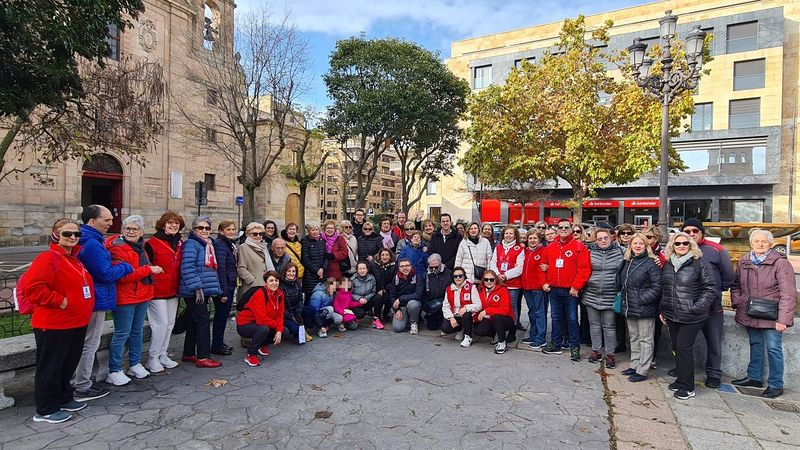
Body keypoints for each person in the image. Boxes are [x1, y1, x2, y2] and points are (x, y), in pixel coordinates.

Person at [26, 219, 95, 423]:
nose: (72, 237)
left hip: (75, 322)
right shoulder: (48, 258)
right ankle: (46, 409)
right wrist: (60, 301)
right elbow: (33, 288)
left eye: (76, 234)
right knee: (51, 366)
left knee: (67, 364)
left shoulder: (74, 258)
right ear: (56, 234)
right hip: (54, 322)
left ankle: (64, 397)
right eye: (67, 234)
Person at [73, 205, 132, 402]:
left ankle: (78, 381)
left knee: (85, 343)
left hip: (90, 298)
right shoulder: (92, 244)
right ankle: (82, 385)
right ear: (92, 221)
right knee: (90, 344)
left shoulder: (88, 239)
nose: (110, 223)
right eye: (106, 220)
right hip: (95, 300)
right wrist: (125, 266)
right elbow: (105, 273)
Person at [730, 229, 797, 399]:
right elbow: (736, 285)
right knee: (755, 344)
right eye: (757, 241)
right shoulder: (744, 261)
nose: (760, 244)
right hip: (750, 311)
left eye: (764, 241)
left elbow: (788, 292)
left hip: (772, 315)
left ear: (770, 243)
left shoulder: (780, 263)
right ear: (751, 243)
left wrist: (783, 319)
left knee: (774, 348)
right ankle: (754, 377)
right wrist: (738, 302)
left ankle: (776, 384)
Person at [105, 215, 162, 386]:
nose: (131, 232)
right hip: (125, 296)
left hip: (142, 294)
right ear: (122, 231)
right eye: (127, 229)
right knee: (122, 333)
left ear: (141, 232)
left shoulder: (140, 247)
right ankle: (114, 369)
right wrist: (148, 269)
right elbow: (122, 276)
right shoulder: (117, 248)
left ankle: (135, 363)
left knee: (136, 332)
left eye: (135, 229)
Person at [660, 232, 717, 400]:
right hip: (672, 313)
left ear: (691, 245)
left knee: (684, 348)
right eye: (677, 244)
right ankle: (681, 380)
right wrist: (663, 310)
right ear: (672, 246)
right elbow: (666, 288)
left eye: (685, 243)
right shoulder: (669, 263)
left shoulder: (700, 263)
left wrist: (697, 307)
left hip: (692, 315)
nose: (681, 246)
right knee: (678, 348)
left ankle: (688, 387)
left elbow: (710, 288)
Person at [680, 218, 735, 389]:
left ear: (702, 232)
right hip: (688, 307)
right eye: (687, 231)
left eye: (694, 231)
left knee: (714, 342)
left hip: (712, 307)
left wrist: (717, 292)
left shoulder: (715, 250)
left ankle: (713, 374)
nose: (691, 234)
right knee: (683, 343)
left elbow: (728, 276)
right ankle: (681, 370)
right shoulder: (680, 248)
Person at [542, 219, 591, 361]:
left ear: (571, 229)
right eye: (561, 227)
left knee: (572, 319)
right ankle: (556, 343)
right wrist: (544, 283)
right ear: (557, 229)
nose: (563, 229)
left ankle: (574, 347)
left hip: (571, 291)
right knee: (556, 318)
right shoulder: (551, 247)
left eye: (566, 227)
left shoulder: (579, 246)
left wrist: (576, 286)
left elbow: (584, 269)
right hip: (554, 289)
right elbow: (543, 266)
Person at [178, 216, 223, 368]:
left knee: (193, 321)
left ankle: (189, 353)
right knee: (203, 321)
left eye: (207, 228)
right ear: (194, 229)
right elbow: (187, 267)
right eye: (200, 228)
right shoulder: (192, 244)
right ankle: (203, 356)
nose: (204, 231)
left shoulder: (207, 244)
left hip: (204, 288)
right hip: (196, 290)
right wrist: (197, 287)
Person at [144, 212, 185, 374]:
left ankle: (163, 354)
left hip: (173, 289)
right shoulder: (151, 243)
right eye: (169, 223)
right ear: (162, 224)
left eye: (176, 223)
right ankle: (152, 358)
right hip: (157, 290)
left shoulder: (180, 242)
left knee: (169, 324)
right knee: (159, 324)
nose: (173, 225)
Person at [619, 233, 662, 382]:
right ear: (630, 245)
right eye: (635, 243)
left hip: (644, 308)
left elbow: (657, 287)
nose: (637, 246)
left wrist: (640, 299)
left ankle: (643, 370)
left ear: (646, 246)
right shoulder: (628, 261)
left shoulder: (651, 263)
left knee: (646, 339)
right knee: (634, 338)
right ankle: (634, 364)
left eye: (641, 243)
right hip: (630, 307)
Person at [582, 228, 624, 368]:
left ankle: (610, 354)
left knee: (609, 326)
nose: (603, 241)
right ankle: (596, 351)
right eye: (599, 239)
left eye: (605, 238)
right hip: (592, 293)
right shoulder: (589, 252)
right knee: (594, 325)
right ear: (595, 240)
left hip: (610, 294)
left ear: (611, 238)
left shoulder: (621, 252)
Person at [236, 271, 284, 367]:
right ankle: (251, 354)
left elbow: (280, 314)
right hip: (245, 323)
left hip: (261, 322)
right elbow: (261, 319)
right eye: (271, 281)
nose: (274, 283)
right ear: (266, 283)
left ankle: (261, 345)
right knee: (263, 329)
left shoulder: (279, 294)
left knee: (284, 331)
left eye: (276, 280)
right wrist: (278, 327)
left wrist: (279, 330)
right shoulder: (260, 294)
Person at [489, 226, 525, 335]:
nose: (508, 235)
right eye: (506, 233)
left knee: (512, 307)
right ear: (503, 235)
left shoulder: (520, 249)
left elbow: (519, 268)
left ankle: (512, 331)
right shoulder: (498, 247)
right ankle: (500, 329)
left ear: (515, 236)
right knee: (499, 306)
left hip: (513, 284)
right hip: (499, 282)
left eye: (511, 233)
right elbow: (493, 262)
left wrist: (505, 275)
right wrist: (498, 275)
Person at [211, 220, 238, 356]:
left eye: (233, 229)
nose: (232, 232)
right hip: (224, 287)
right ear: (221, 231)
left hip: (229, 284)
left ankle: (219, 342)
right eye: (228, 230)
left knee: (223, 316)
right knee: (221, 317)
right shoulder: (220, 245)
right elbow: (220, 268)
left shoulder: (228, 244)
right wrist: (223, 292)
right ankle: (216, 345)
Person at [474, 270, 515, 354]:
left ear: (496, 280)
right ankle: (496, 333)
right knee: (479, 331)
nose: (489, 282)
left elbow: (505, 309)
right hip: (489, 317)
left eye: (491, 279)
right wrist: (475, 317)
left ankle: (502, 342)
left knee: (497, 317)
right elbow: (479, 306)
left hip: (505, 318)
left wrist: (487, 311)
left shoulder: (502, 290)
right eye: (486, 279)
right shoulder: (481, 290)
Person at [442, 267, 481, 348]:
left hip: (468, 316)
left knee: (466, 315)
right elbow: (445, 306)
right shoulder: (449, 289)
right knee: (446, 328)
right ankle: (460, 330)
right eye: (455, 276)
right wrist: (451, 318)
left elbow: (478, 305)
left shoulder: (471, 287)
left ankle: (468, 336)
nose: (458, 278)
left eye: (460, 276)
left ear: (464, 276)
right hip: (456, 315)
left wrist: (466, 307)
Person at [521, 231, 548, 350]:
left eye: (534, 238)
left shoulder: (543, 251)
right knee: (531, 312)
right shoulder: (525, 251)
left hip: (538, 288)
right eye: (530, 238)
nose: (532, 240)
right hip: (526, 287)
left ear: (539, 239)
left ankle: (540, 338)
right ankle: (533, 335)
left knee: (539, 313)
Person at [388, 257, 425, 334]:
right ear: (398, 268)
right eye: (402, 266)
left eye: (407, 265)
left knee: (412, 304)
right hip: (402, 307)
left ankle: (414, 323)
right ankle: (407, 319)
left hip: (414, 304)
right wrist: (396, 310)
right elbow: (392, 296)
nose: (405, 268)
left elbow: (418, 295)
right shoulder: (396, 278)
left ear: (411, 266)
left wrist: (400, 299)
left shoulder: (417, 276)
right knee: (397, 328)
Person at [237, 222, 270, 297]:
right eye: (255, 234)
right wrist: (252, 281)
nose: (258, 236)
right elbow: (241, 268)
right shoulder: (244, 247)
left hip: (264, 286)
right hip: (251, 287)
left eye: (260, 234)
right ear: (248, 234)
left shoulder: (264, 247)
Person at [280, 263, 307, 343]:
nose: (291, 273)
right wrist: (290, 315)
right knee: (295, 329)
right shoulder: (281, 286)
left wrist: (298, 311)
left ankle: (303, 328)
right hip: (286, 314)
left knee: (311, 309)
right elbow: (280, 307)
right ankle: (296, 332)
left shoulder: (297, 283)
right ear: (285, 272)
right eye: (289, 271)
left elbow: (300, 299)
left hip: (296, 311)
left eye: (293, 271)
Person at [351, 261, 383, 329]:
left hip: (367, 301)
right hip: (356, 303)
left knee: (378, 297)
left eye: (364, 268)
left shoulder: (372, 279)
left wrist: (366, 298)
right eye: (360, 269)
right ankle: (351, 318)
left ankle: (376, 319)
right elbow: (350, 294)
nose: (362, 270)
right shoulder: (352, 280)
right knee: (360, 314)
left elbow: (373, 292)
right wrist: (359, 298)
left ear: (367, 269)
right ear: (357, 270)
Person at [424, 254, 452, 330]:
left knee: (446, 327)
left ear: (440, 263)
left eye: (436, 267)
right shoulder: (426, 275)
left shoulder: (448, 273)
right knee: (432, 327)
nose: (433, 269)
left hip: (445, 302)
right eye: (431, 267)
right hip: (432, 304)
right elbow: (423, 292)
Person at [301, 223, 328, 300]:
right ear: (309, 231)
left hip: (322, 275)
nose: (315, 232)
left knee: (321, 296)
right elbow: (305, 259)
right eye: (313, 230)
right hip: (310, 276)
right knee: (310, 298)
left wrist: (323, 269)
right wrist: (317, 270)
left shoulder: (322, 241)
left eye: (316, 230)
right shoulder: (305, 241)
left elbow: (326, 256)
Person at [370, 248, 396, 322]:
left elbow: (394, 280)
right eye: (383, 255)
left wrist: (385, 289)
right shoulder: (373, 265)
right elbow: (371, 278)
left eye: (387, 255)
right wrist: (378, 289)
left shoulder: (394, 266)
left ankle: (385, 313)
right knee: (379, 298)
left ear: (390, 256)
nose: (385, 257)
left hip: (388, 288)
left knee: (389, 297)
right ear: (380, 256)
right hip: (376, 288)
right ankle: (377, 316)